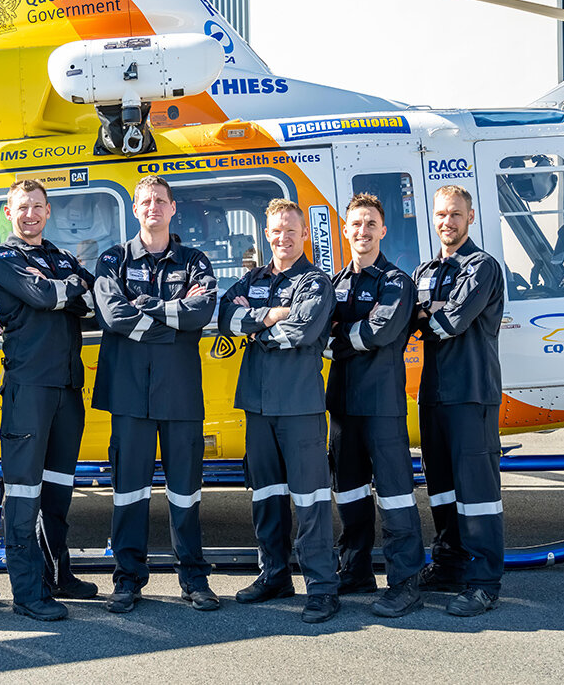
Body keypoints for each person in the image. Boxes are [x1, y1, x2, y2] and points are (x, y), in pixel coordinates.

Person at [93, 176, 219, 614]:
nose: (153, 207)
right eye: (145, 201)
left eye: (160, 201)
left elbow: (202, 310)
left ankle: (194, 578)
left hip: (180, 394)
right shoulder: (111, 260)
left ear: (172, 208)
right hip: (129, 394)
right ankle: (127, 580)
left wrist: (145, 307)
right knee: (129, 491)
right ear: (134, 209)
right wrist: (170, 323)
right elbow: (111, 313)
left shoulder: (195, 261)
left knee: (186, 491)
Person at [218, 198, 341, 623]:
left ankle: (322, 587)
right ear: (265, 235)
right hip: (257, 405)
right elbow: (224, 318)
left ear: (304, 234)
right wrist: (269, 316)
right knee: (266, 495)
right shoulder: (251, 279)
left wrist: (257, 328)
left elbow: (304, 331)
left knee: (310, 500)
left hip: (299, 407)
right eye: (275, 231)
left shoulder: (315, 282)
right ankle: (274, 575)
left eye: (291, 230)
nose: (283, 237)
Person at [0, 179, 101, 622]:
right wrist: (64, 289)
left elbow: (90, 302)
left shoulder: (61, 257)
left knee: (57, 489)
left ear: (48, 211)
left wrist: (64, 288)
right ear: (9, 213)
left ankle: (58, 575)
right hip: (29, 389)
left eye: (37, 206)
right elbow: (44, 295)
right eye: (21, 207)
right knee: (23, 492)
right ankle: (28, 592)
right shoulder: (4, 258)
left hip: (68, 389)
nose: (30, 214)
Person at [325, 193, 425, 618]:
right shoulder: (334, 283)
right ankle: (356, 569)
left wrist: (341, 336)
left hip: (382, 407)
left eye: (370, 224)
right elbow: (320, 338)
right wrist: (348, 337)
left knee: (396, 496)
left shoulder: (397, 282)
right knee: (347, 493)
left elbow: (379, 333)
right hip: (343, 408)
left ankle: (405, 582)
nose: (362, 231)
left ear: (382, 231)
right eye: (355, 224)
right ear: (344, 230)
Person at [412, 184, 506, 616]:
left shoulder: (482, 267)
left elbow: (447, 323)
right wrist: (427, 312)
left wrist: (427, 313)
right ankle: (449, 564)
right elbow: (409, 316)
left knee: (478, 491)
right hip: (433, 395)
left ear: (470, 217)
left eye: (455, 214)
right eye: (441, 215)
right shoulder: (426, 269)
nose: (447, 222)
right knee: (442, 489)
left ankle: (484, 580)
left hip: (472, 394)